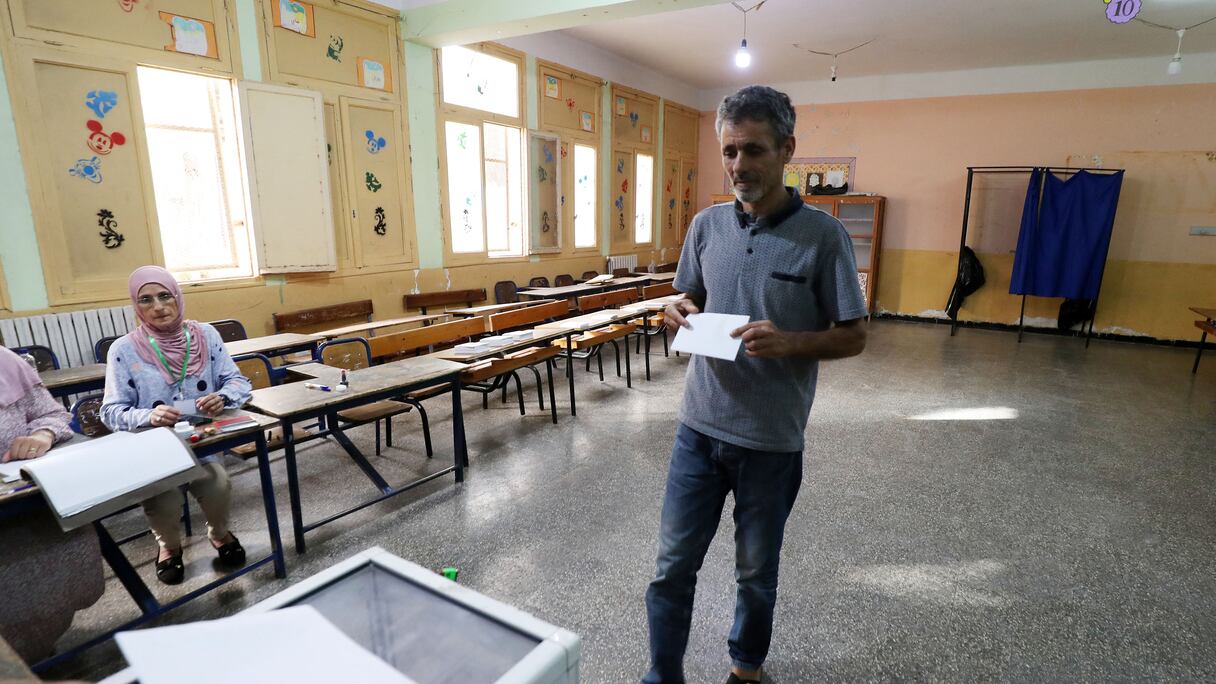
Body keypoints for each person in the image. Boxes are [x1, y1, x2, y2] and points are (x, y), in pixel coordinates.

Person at [643, 86, 868, 684]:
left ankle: (746, 666)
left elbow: (854, 335)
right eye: (729, 151)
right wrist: (676, 309)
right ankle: (662, 674)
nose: (738, 165)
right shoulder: (707, 225)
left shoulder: (824, 238)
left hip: (771, 441)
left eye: (753, 150)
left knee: (755, 570)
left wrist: (792, 341)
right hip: (698, 429)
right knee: (671, 566)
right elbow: (688, 293)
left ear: (787, 149)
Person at [101, 265, 252, 585]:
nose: (157, 306)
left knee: (217, 484)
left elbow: (237, 382)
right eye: (146, 300)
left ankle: (220, 535)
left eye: (164, 296)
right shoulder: (123, 350)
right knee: (164, 497)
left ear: (178, 297)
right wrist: (148, 416)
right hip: (155, 451)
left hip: (204, 442)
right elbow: (111, 411)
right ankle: (169, 548)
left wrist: (223, 397)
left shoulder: (206, 335)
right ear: (135, 306)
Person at [0, 346, 104, 663]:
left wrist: (43, 434)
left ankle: (34, 645)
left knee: (66, 554)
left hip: (27, 499)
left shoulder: (6, 361)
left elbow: (54, 414)